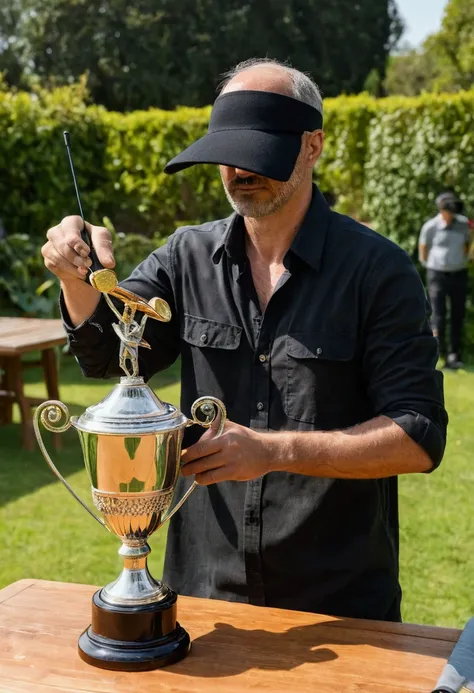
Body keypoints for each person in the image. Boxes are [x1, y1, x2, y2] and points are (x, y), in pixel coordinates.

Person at [42, 58, 447, 623]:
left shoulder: (378, 271)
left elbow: (418, 436)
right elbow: (110, 351)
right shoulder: (186, 258)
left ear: (313, 145)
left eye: (258, 151)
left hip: (338, 604)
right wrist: (73, 274)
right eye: (226, 152)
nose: (238, 169)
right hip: (207, 593)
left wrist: (275, 450)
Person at [419, 192, 473, 369]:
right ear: (441, 210)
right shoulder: (431, 226)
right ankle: (436, 353)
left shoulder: (464, 224)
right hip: (437, 275)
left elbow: (468, 245)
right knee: (438, 315)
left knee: (457, 315)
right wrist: (431, 265)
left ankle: (454, 355)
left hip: (459, 273)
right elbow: (424, 248)